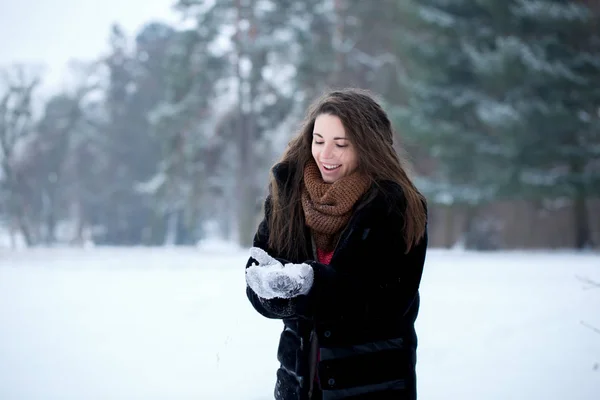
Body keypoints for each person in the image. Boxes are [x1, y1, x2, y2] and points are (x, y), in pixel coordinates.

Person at [244, 88, 428, 400]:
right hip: (299, 387)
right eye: (318, 141)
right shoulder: (287, 195)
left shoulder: (396, 206)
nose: (325, 154)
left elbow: (389, 303)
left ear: (368, 147)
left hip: (373, 385)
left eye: (340, 144)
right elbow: (258, 275)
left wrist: (311, 284)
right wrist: (273, 289)